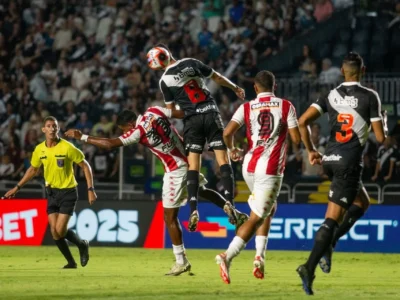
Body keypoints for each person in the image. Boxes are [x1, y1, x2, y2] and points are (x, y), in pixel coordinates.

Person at [65, 107, 248, 276]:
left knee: (169, 216)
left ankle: (181, 260)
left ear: (129, 124)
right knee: (201, 190)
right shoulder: (155, 110)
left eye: (123, 129)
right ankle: (233, 210)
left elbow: (110, 144)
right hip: (189, 160)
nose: (124, 132)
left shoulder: (138, 131)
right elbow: (180, 113)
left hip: (175, 170)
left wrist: (83, 137)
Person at [296, 52, 386, 295]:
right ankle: (309, 266)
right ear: (362, 70)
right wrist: (384, 122)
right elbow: (381, 138)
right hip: (348, 163)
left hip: (329, 159)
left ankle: (330, 243)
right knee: (332, 219)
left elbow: (302, 120)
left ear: (343, 72)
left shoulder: (330, 94)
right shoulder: (370, 96)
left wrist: (311, 150)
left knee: (362, 203)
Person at [215, 70, 301, 284]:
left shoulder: (246, 107)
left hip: (249, 166)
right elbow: (296, 139)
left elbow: (227, 134)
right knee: (255, 218)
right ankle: (227, 256)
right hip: (270, 168)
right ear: (275, 86)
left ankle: (259, 258)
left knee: (268, 209)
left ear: (255, 88)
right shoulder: (285, 106)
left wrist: (233, 150)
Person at [148, 43, 246, 232]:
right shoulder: (192, 62)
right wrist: (235, 88)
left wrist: (167, 112)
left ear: (159, 64)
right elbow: (216, 77)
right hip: (211, 113)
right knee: (223, 161)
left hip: (192, 120)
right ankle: (231, 204)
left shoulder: (164, 81)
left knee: (193, 166)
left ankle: (193, 209)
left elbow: (171, 111)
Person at [3, 116, 96, 269]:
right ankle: (71, 263)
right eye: (49, 126)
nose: (52, 128)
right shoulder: (39, 149)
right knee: (54, 233)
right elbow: (33, 169)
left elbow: (85, 166)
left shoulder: (67, 147)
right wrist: (17, 187)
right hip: (51, 193)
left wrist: (90, 189)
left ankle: (82, 244)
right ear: (43, 129)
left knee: (60, 229)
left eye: (55, 126)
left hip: (68, 191)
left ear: (58, 129)